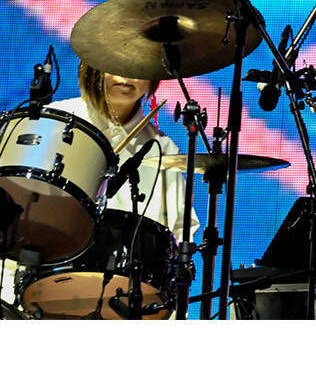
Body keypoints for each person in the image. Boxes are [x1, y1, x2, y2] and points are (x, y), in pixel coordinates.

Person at [2, 62, 197, 315]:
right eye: (116, 64)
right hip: (35, 289)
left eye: (139, 68)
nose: (126, 76)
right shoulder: (54, 120)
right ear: (94, 69)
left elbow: (178, 233)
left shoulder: (163, 149)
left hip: (120, 300)